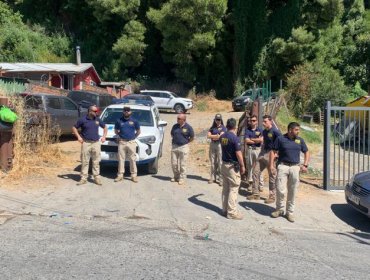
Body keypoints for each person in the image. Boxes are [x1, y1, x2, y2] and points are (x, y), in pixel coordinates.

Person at [270, 122, 310, 222]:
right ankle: (279, 209)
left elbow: (307, 152)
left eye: (298, 129)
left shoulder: (299, 140)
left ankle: (289, 212)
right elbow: (273, 151)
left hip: (295, 167)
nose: (298, 131)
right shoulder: (280, 139)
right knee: (280, 189)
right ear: (290, 130)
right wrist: (271, 165)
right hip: (283, 166)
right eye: (296, 130)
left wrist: (305, 165)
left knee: (292, 190)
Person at [247, 115, 281, 204]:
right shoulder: (264, 131)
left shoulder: (275, 131)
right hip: (263, 153)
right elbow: (264, 141)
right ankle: (255, 193)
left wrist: (277, 153)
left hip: (271, 154)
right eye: (263, 121)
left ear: (271, 121)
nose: (263, 123)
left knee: (272, 175)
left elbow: (281, 142)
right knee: (255, 171)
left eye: (265, 121)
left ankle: (272, 196)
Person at [72, 105, 107, 186]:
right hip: (86, 143)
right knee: (85, 161)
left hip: (96, 143)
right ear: (90, 111)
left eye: (97, 111)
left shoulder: (97, 119)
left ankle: (96, 178)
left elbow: (105, 127)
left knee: (96, 161)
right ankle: (83, 178)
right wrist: (78, 137)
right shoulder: (83, 120)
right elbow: (74, 127)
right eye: (95, 111)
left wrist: (104, 137)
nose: (96, 113)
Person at [220, 118, 246, 220]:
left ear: (227, 126)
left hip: (224, 165)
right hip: (232, 166)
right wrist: (243, 165)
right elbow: (238, 153)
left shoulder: (222, 137)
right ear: (235, 127)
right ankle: (231, 213)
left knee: (225, 188)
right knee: (234, 189)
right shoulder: (235, 138)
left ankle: (225, 210)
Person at [114, 106, 141, 183]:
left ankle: (134, 176)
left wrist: (133, 137)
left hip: (131, 142)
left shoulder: (134, 121)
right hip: (122, 142)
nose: (126, 112)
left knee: (132, 159)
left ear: (130, 112)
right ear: (123, 111)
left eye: (128, 110)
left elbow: (138, 131)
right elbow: (116, 131)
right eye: (125, 110)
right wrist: (120, 135)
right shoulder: (118, 120)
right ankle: (120, 175)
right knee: (121, 159)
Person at [170, 113, 194, 185]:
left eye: (179, 119)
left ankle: (182, 178)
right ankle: (176, 176)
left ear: (183, 120)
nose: (177, 120)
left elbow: (192, 137)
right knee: (174, 163)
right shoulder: (175, 126)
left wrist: (185, 142)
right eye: (177, 118)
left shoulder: (188, 127)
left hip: (183, 147)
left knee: (183, 164)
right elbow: (172, 134)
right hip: (174, 146)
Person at [244, 115, 264, 191]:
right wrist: (256, 140)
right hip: (250, 150)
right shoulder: (247, 130)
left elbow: (261, 140)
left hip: (258, 150)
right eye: (251, 121)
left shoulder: (260, 130)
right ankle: (250, 184)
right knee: (250, 167)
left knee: (259, 167)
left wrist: (252, 139)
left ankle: (260, 184)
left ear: (257, 121)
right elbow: (246, 140)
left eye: (254, 120)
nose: (252, 122)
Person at [207, 113, 226, 186]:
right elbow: (208, 136)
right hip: (212, 144)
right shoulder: (212, 128)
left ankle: (221, 179)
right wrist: (215, 136)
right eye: (216, 119)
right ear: (214, 120)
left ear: (221, 120)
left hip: (219, 145)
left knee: (220, 162)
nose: (217, 121)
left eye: (219, 119)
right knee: (212, 162)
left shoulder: (223, 127)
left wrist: (213, 136)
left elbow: (220, 137)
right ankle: (212, 177)